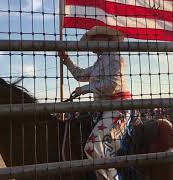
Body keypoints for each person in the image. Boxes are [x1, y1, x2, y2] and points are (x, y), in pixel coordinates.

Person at [59, 26, 131, 180]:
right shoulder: (100, 62)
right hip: (104, 110)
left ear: (107, 40)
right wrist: (66, 60)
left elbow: (112, 84)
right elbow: (80, 74)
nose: (90, 43)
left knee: (93, 147)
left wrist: (85, 89)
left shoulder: (115, 57)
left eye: (94, 39)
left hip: (119, 108)